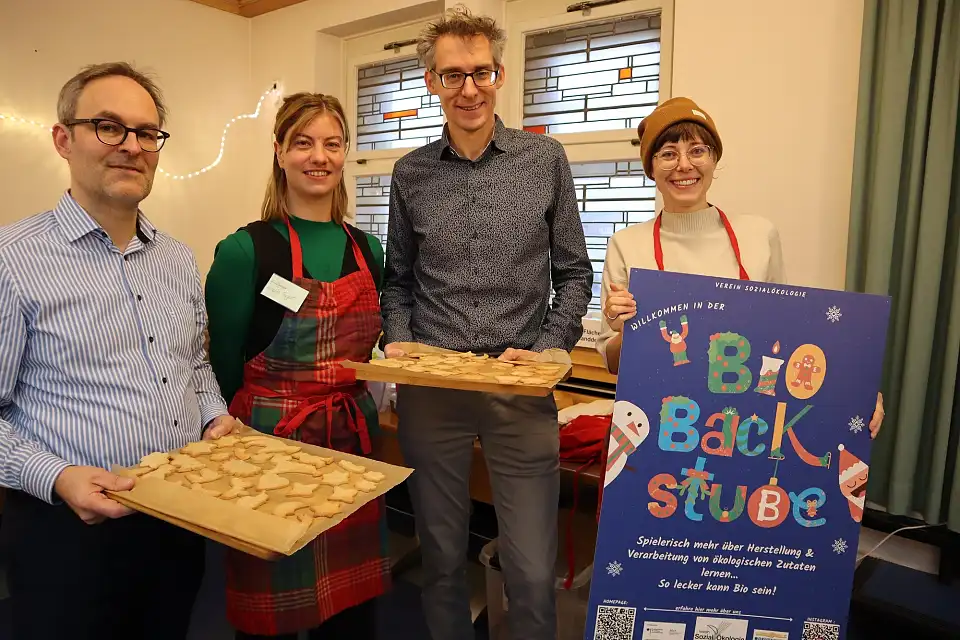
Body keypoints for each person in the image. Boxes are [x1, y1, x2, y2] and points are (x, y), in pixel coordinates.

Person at [0, 62, 239, 640]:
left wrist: (213, 413)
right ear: (64, 139)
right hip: (67, 534)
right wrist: (56, 475)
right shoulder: (12, 260)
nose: (132, 146)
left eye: (146, 133)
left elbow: (194, 363)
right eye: (108, 126)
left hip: (179, 519)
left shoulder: (178, 259)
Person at [380, 7, 593, 640]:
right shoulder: (410, 173)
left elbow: (574, 273)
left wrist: (551, 347)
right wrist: (400, 338)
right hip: (433, 390)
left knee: (531, 571)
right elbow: (398, 280)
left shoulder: (543, 159)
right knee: (442, 560)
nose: (468, 88)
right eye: (453, 75)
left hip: (518, 388)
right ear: (431, 81)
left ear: (500, 74)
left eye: (481, 72)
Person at [205, 92, 389, 640]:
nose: (319, 156)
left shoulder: (369, 250)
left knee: (351, 615)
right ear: (280, 152)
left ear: (345, 153)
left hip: (350, 443)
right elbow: (221, 365)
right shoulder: (245, 251)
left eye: (332, 144)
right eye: (303, 143)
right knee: (272, 611)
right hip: (268, 443)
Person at [597, 96, 885, 437]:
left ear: (714, 159)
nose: (684, 165)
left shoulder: (758, 234)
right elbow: (613, 362)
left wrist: (855, 388)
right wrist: (628, 329)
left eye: (697, 151)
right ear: (651, 168)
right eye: (668, 154)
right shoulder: (626, 244)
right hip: (666, 425)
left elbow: (790, 332)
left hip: (745, 424)